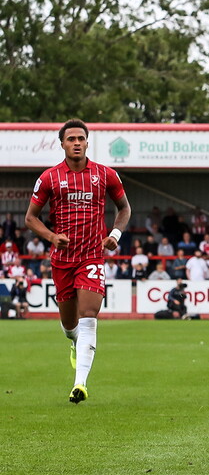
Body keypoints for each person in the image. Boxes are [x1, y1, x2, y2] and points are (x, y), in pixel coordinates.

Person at [23, 119, 130, 404]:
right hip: (62, 260)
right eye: (71, 139)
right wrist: (51, 236)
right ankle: (74, 341)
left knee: (89, 317)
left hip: (92, 256)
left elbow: (124, 208)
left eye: (81, 138)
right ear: (62, 144)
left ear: (87, 142)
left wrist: (115, 234)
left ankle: (79, 384)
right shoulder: (49, 178)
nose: (77, 143)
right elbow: (30, 218)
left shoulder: (105, 174)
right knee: (70, 325)